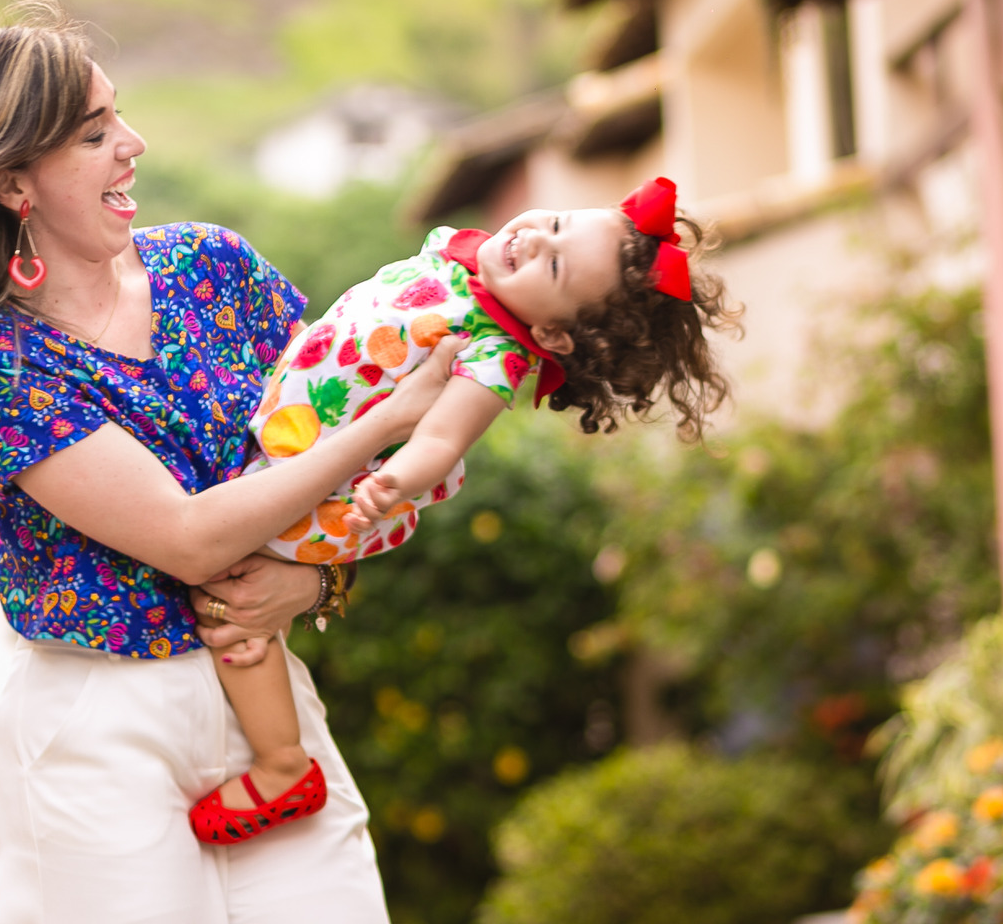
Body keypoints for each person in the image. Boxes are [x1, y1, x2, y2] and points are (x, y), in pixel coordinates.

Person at [0, 0, 463, 924]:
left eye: (118, 115)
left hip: (267, 708)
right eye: (95, 133)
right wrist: (385, 425)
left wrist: (317, 588)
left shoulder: (216, 270)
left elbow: (363, 463)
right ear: (16, 180)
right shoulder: (1, 362)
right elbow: (190, 538)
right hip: (99, 733)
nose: (132, 143)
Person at [188, 177, 739, 846]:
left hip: (334, 489)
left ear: (551, 334)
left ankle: (282, 765)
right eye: (557, 221)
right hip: (288, 435)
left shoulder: (495, 353)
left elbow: (442, 437)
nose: (536, 237)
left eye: (555, 264)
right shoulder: (451, 258)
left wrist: (392, 483)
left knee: (233, 601)